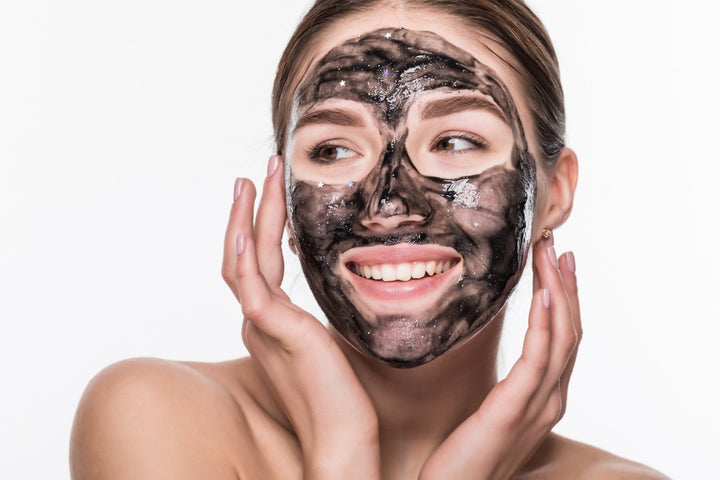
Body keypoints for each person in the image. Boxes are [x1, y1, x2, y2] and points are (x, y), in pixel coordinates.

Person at [69, 1, 668, 478]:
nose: (388, 205)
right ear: (286, 201)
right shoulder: (158, 420)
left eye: (456, 142)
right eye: (333, 150)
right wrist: (341, 442)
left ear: (555, 193)